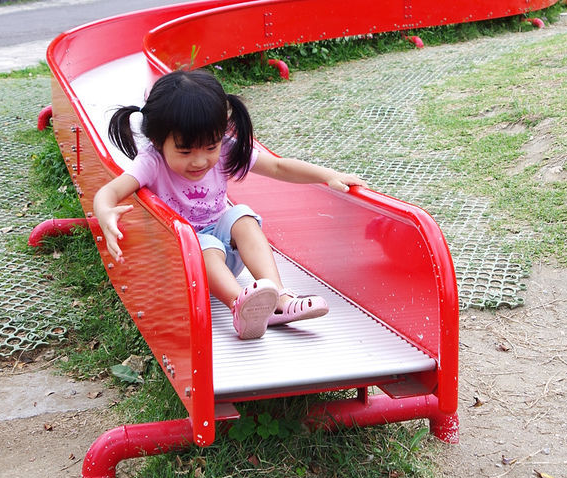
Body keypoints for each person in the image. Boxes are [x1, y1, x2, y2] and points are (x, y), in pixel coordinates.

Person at [93, 69, 365, 340]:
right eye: (186, 152)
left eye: (210, 147)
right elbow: (110, 191)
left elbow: (279, 167)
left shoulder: (224, 148)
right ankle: (240, 306)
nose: (200, 161)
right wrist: (105, 212)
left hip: (224, 258)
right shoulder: (152, 161)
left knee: (243, 217)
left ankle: (279, 298)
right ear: (157, 141)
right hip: (182, 260)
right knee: (207, 244)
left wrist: (328, 175)